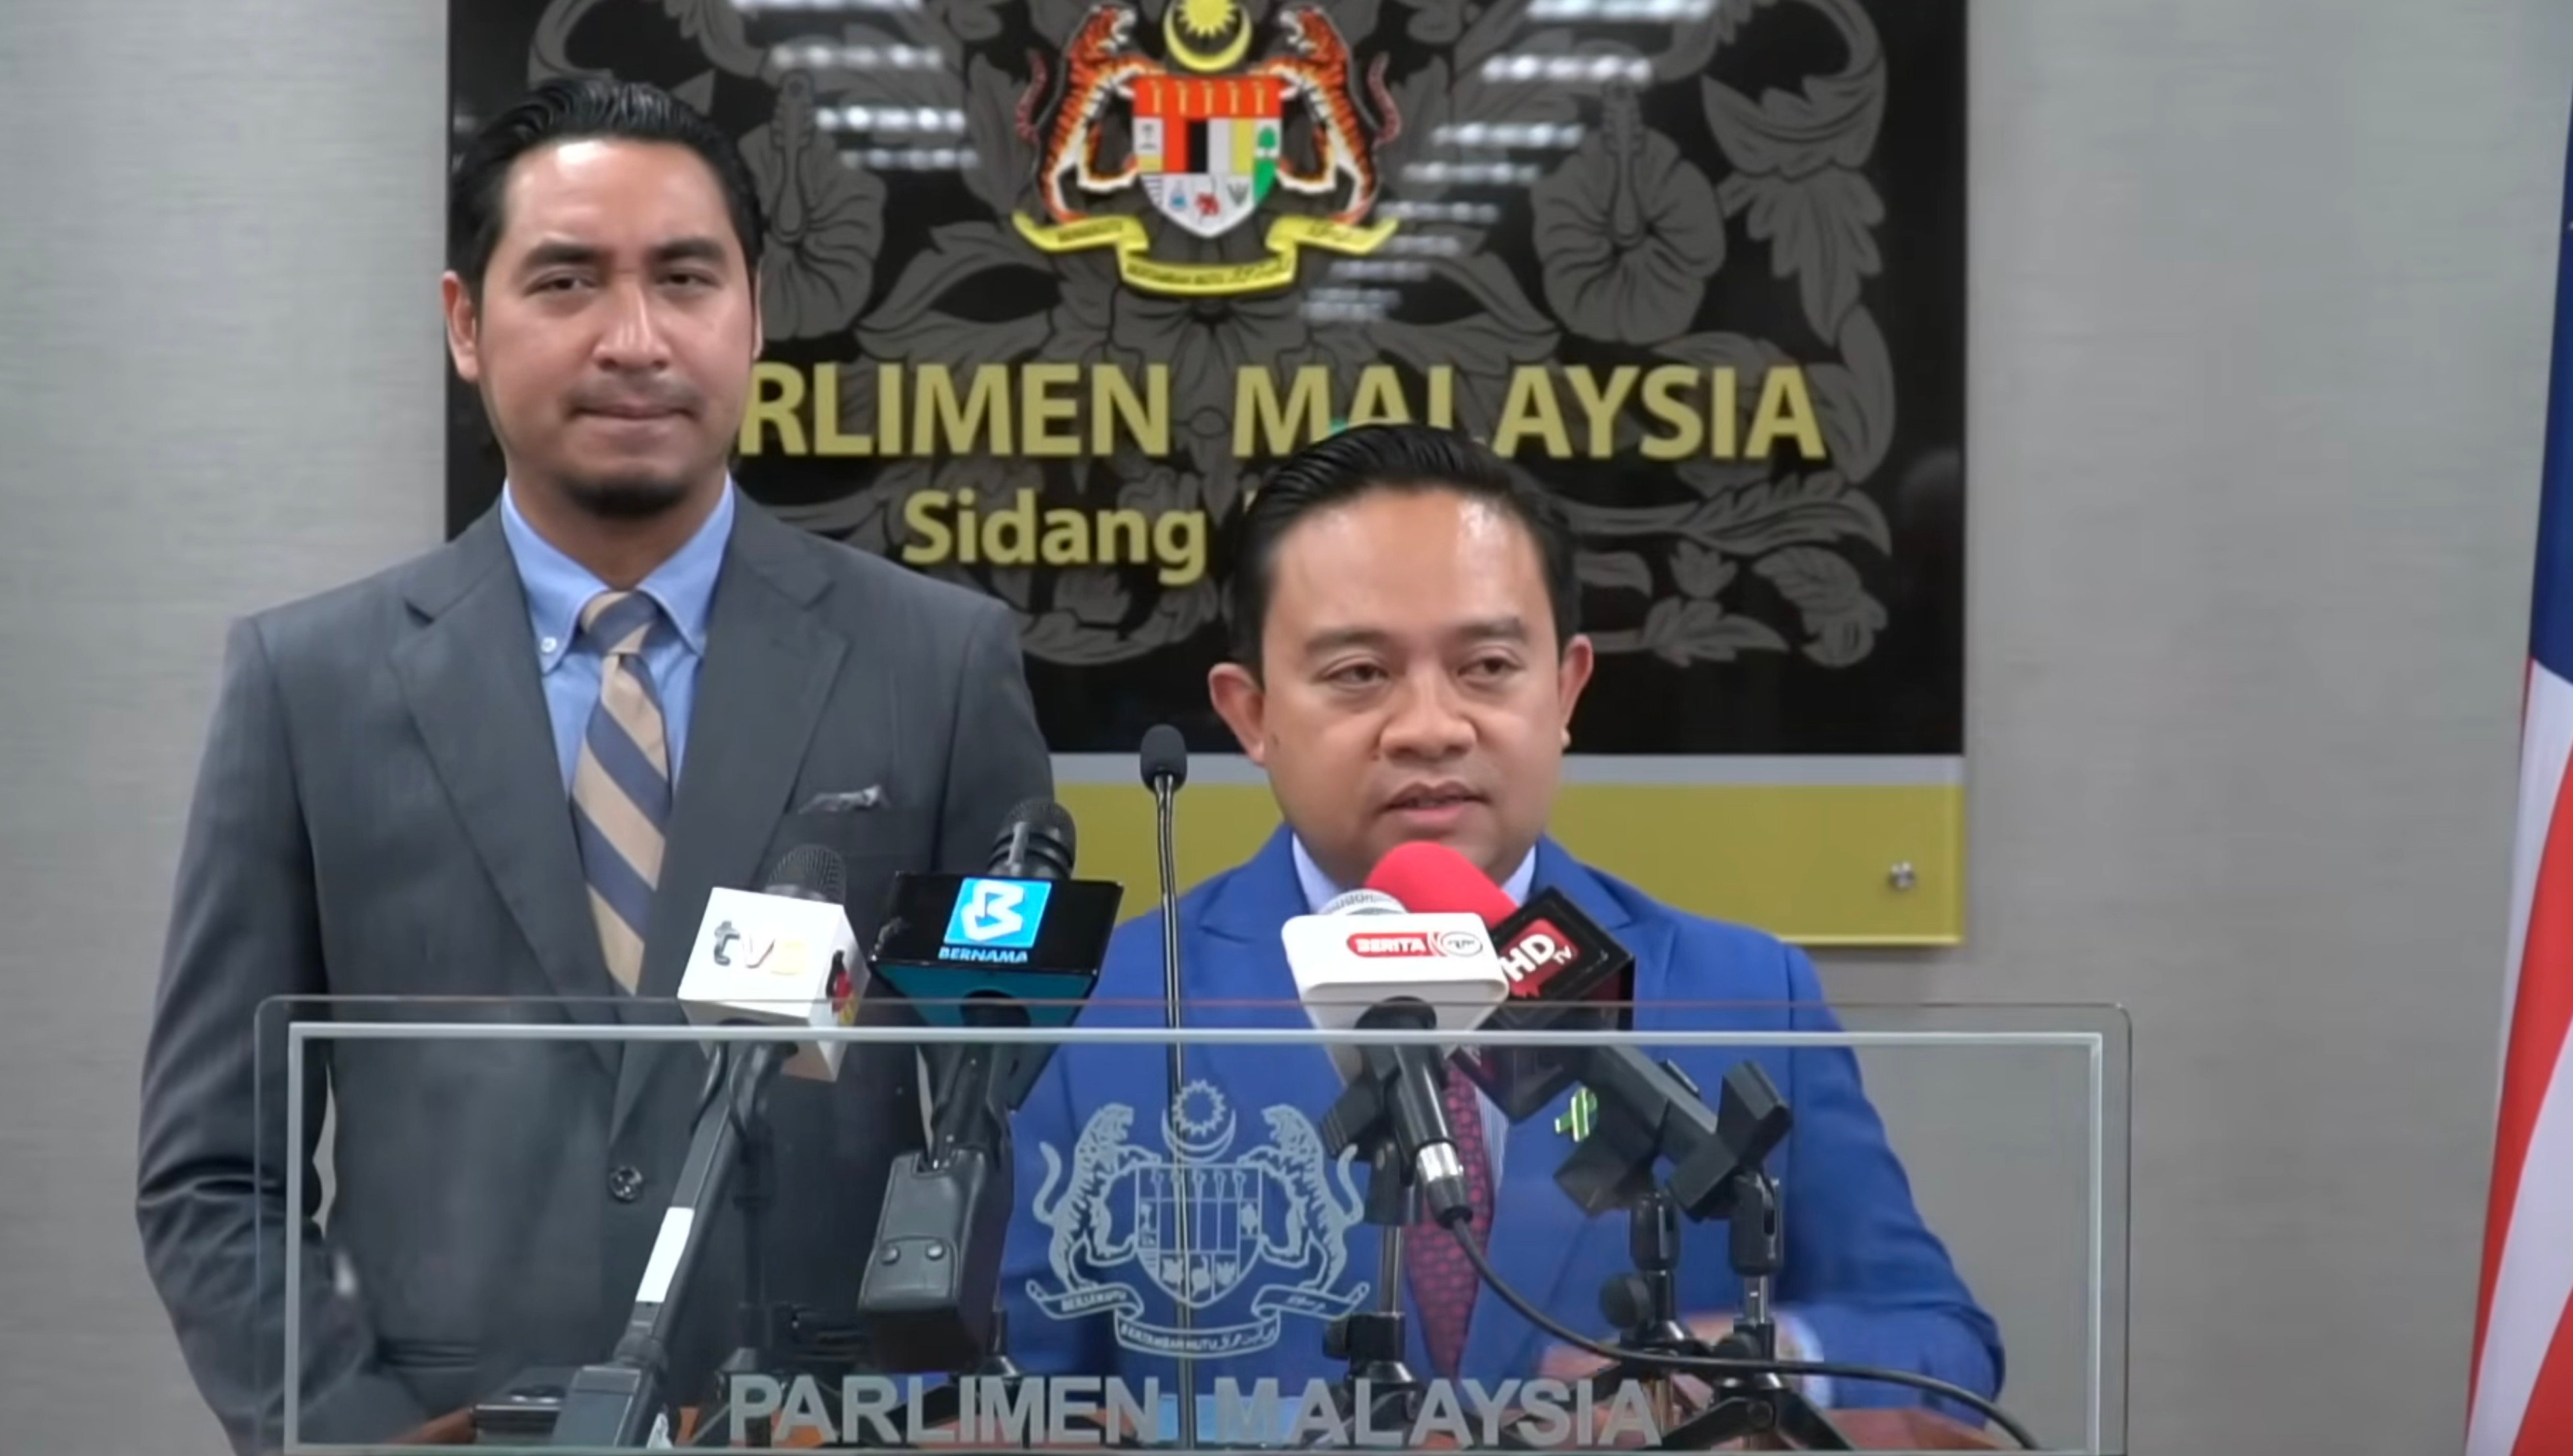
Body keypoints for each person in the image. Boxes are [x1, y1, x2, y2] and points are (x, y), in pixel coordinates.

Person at [135, 78, 1051, 1451]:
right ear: (465, 322)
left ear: (753, 316)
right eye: (566, 280)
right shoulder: (305, 684)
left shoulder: (939, 663)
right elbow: (214, 1173)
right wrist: (360, 1435)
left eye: (685, 279)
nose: (635, 338)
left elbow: (1009, 1104)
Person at [1000, 425, 2000, 1427]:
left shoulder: (1741, 991)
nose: (1431, 725)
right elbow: (995, 1390)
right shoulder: (1113, 1012)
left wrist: (1753, 1357)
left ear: (1565, 687)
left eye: (1485, 665)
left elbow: (1939, 1339)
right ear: (1250, 711)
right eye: (1358, 673)